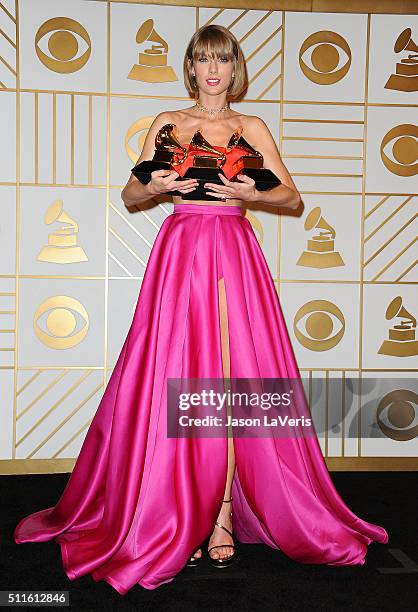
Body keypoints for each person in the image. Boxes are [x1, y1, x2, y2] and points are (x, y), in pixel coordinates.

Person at [14, 24, 388, 596]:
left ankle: (222, 517)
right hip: (182, 249)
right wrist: (157, 183)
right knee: (181, 376)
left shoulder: (250, 126)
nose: (213, 70)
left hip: (234, 250)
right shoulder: (170, 125)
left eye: (222, 59)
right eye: (203, 59)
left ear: (233, 68)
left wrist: (251, 195)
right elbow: (131, 195)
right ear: (190, 67)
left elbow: (291, 196)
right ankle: (186, 512)